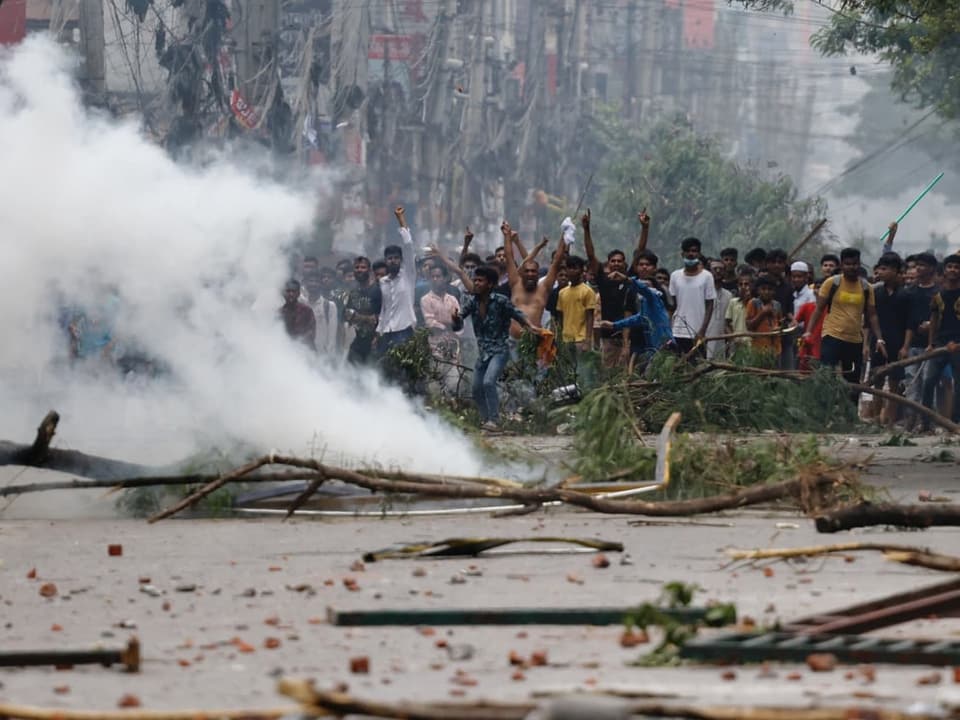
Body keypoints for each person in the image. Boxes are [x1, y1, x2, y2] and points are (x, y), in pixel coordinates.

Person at [451, 265, 539, 430]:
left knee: (489, 382)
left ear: (490, 284)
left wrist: (530, 326)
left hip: (500, 350)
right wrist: (455, 319)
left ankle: (495, 420)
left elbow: (517, 314)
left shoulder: (500, 300)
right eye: (475, 280)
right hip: (483, 352)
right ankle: (486, 420)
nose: (476, 283)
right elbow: (458, 322)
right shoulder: (472, 303)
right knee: (476, 388)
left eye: (480, 281)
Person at [803, 248, 886, 391]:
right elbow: (819, 309)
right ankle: (824, 410)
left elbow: (872, 315)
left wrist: (879, 338)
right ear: (841, 265)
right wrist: (809, 331)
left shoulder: (866, 287)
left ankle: (850, 412)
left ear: (859, 264)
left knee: (853, 382)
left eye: (854, 264)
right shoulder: (832, 283)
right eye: (848, 264)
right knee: (826, 377)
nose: (852, 267)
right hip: (832, 336)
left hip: (854, 340)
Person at [582, 208, 637, 366]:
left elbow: (639, 252)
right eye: (613, 261)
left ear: (624, 263)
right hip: (609, 336)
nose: (616, 263)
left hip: (631, 336)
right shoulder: (603, 280)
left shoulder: (629, 280)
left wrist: (645, 228)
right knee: (609, 376)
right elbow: (591, 255)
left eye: (619, 261)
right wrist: (586, 230)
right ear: (609, 263)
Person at [866, 252, 910, 425]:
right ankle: (877, 418)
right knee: (877, 380)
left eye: (884, 269)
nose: (880, 272)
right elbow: (870, 319)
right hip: (878, 342)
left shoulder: (905, 295)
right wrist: (867, 344)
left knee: (894, 383)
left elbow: (909, 324)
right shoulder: (876, 293)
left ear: (894, 271)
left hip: (897, 342)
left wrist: (905, 346)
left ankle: (889, 419)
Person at [502, 223, 566, 341]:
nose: (530, 274)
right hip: (512, 342)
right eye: (527, 271)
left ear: (538, 274)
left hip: (536, 342)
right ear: (522, 273)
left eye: (533, 271)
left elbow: (557, 261)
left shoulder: (544, 288)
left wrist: (565, 234)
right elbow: (509, 257)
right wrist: (506, 236)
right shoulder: (515, 284)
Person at [920, 254, 960, 427]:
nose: (953, 270)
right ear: (944, 270)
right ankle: (925, 422)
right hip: (940, 344)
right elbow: (934, 320)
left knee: (958, 384)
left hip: (958, 345)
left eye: (957, 267)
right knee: (928, 382)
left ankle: (955, 422)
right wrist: (931, 343)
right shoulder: (938, 295)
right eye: (950, 266)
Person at [375, 206, 417, 359]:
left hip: (404, 329)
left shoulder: (408, 275)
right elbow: (384, 309)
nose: (392, 261)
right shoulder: (382, 282)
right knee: (383, 369)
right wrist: (379, 331)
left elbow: (409, 247)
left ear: (400, 260)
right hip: (386, 331)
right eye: (389, 258)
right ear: (386, 261)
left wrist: (401, 220)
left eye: (396, 258)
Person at [669, 237, 716, 357]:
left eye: (694, 251)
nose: (691, 254)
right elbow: (674, 305)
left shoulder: (707, 277)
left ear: (699, 253)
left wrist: (702, 330)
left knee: (697, 367)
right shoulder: (675, 276)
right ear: (682, 253)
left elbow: (710, 305)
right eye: (688, 251)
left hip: (697, 332)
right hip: (678, 331)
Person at [342, 256, 382, 365]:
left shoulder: (377, 290)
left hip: (376, 344)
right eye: (357, 267)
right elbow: (347, 314)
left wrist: (359, 317)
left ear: (369, 270)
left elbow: (383, 317)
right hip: (358, 342)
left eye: (363, 267)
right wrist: (353, 317)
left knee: (373, 378)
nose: (359, 269)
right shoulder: (354, 292)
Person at [420, 263, 461, 361]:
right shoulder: (426, 300)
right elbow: (430, 322)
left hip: (453, 345)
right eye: (432, 277)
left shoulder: (452, 300)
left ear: (445, 278)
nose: (435, 279)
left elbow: (458, 323)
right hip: (435, 347)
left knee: (454, 374)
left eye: (438, 276)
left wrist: (450, 325)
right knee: (436, 374)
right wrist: (448, 325)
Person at [555, 256, 597, 350]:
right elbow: (560, 317)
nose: (571, 271)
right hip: (565, 340)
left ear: (582, 271)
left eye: (575, 268)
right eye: (569, 268)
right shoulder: (562, 293)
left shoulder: (587, 291)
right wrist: (559, 338)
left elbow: (590, 317)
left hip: (581, 340)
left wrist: (588, 340)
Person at [302, 267, 340, 354]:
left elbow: (332, 335)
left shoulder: (330, 306)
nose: (313, 284)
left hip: (322, 354)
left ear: (321, 284)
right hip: (303, 353)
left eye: (316, 281)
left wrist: (330, 355)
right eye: (310, 281)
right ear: (306, 283)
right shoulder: (302, 304)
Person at [746, 276, 783, 361]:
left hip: (775, 348)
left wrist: (779, 328)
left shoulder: (777, 305)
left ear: (774, 291)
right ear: (758, 290)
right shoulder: (753, 303)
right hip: (758, 347)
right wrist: (762, 313)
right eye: (763, 289)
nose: (766, 292)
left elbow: (780, 322)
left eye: (770, 289)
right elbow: (749, 326)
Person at [279, 279, 316, 352]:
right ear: (284, 293)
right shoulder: (280, 313)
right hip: (284, 352)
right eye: (288, 291)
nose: (291, 294)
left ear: (298, 293)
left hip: (305, 352)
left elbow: (311, 332)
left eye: (293, 291)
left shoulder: (306, 311)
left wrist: (298, 344)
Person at [706, 259, 733, 359]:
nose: (718, 271)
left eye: (721, 269)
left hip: (721, 341)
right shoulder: (702, 293)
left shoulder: (728, 295)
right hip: (704, 338)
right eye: (715, 269)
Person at [725, 273, 753, 353]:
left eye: (746, 284)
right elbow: (727, 324)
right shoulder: (733, 302)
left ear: (752, 285)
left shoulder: (755, 303)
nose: (743, 287)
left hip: (751, 344)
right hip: (736, 343)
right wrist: (733, 338)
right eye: (741, 284)